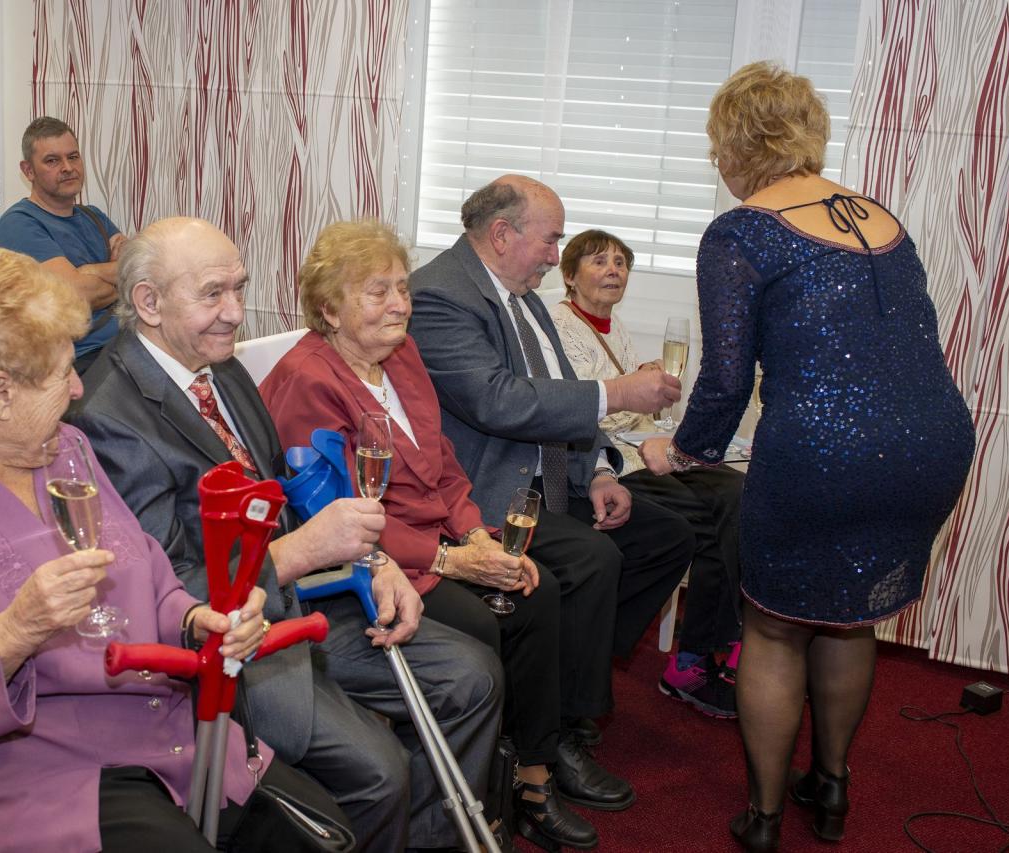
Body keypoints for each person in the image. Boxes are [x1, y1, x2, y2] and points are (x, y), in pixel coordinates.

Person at [0, 248, 343, 852]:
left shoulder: (64, 448)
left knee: (322, 832)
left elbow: (147, 571)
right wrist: (17, 630)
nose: (79, 388)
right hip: (32, 770)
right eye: (62, 374)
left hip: (157, 726)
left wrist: (192, 619)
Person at [70, 216, 504, 853]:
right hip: (227, 649)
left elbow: (286, 495)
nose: (234, 312)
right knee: (379, 772)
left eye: (239, 289)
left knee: (473, 677)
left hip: (301, 601)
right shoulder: (109, 417)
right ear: (149, 303)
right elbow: (170, 590)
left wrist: (375, 561)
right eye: (213, 294)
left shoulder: (219, 371)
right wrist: (303, 552)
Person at [639, 62, 975, 852]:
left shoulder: (741, 232)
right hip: (933, 445)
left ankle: (761, 818)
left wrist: (682, 451)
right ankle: (830, 786)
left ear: (735, 145)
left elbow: (727, 378)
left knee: (775, 628)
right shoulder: (882, 218)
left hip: (826, 455)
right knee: (850, 620)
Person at [262, 219, 633, 850]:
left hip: (437, 534)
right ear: (329, 309)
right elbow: (339, 516)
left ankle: (531, 775)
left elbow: (443, 460)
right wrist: (450, 560)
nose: (399, 304)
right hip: (372, 562)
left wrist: (476, 535)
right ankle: (465, 798)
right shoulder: (310, 382)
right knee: (483, 622)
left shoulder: (401, 353)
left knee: (536, 590)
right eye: (377, 292)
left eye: (402, 288)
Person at [407, 174, 695, 807]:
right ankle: (556, 732)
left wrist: (599, 471)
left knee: (668, 537)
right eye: (551, 239)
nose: (554, 255)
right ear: (502, 234)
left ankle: (567, 681)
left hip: (551, 478)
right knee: (594, 557)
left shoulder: (523, 295)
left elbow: (559, 396)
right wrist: (617, 393)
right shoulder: (439, 295)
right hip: (488, 493)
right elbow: (499, 402)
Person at [551, 229, 745, 719]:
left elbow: (628, 398)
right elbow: (583, 409)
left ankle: (730, 640)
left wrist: (647, 386)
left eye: (620, 263)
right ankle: (691, 661)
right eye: (599, 261)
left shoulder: (613, 325)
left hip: (640, 445)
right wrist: (636, 389)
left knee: (737, 491)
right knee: (707, 520)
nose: (613, 270)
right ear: (569, 276)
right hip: (607, 460)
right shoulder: (559, 326)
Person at [0, 116, 125, 374]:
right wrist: (121, 279)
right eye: (52, 161)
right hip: (73, 362)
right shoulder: (19, 225)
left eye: (73, 157)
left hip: (125, 345)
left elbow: (144, 268)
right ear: (28, 171)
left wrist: (89, 271)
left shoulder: (93, 216)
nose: (67, 167)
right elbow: (74, 298)